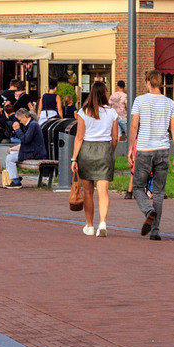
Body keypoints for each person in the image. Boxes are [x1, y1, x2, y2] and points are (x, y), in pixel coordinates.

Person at [127, 73, 174, 240]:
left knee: (137, 187)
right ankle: (155, 231)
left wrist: (130, 148)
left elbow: (134, 125)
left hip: (144, 149)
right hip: (163, 149)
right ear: (160, 83)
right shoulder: (169, 102)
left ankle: (148, 211)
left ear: (148, 82)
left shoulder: (139, 101)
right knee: (158, 191)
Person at [71, 82, 121, 236]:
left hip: (87, 150)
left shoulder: (83, 111)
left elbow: (79, 137)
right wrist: (109, 151)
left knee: (88, 192)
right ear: (105, 94)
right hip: (104, 150)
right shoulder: (111, 112)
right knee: (103, 191)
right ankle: (103, 223)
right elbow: (115, 137)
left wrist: (74, 158)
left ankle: (90, 225)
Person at [2, 105, 46, 188]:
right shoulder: (32, 124)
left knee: (10, 158)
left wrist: (17, 130)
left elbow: (25, 140)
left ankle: (16, 181)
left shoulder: (33, 125)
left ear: (25, 117)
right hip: (32, 151)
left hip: (35, 153)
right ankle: (15, 178)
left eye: (20, 119)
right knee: (11, 155)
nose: (20, 122)